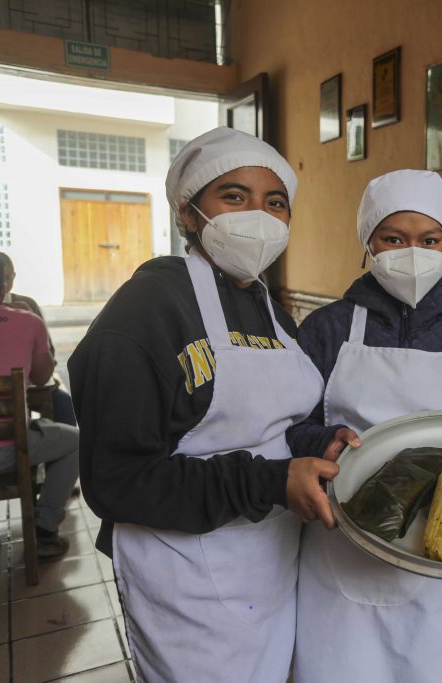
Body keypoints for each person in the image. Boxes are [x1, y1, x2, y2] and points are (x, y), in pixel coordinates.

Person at [68, 127, 336, 683]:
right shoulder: (145, 311)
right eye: (234, 196)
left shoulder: (269, 310)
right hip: (185, 573)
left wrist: (320, 443)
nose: (258, 215)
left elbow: (280, 424)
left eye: (275, 202)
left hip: (269, 555)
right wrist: (268, 482)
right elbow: (116, 480)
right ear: (188, 214)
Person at [288, 169, 442, 683]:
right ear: (368, 243)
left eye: (429, 240)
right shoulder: (326, 329)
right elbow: (291, 430)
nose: (413, 253)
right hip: (342, 549)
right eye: (394, 238)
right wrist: (325, 442)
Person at [0, 251, 77, 560]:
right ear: (2, 288)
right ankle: (44, 527)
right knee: (77, 441)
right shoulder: (26, 321)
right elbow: (44, 377)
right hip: (9, 451)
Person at [0, 251, 77, 427]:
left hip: (29, 383)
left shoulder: (26, 305)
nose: (4, 285)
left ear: (14, 276)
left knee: (63, 403)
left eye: (8, 278)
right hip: (0, 391)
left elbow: (49, 352)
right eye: (0, 279)